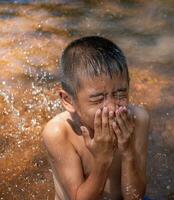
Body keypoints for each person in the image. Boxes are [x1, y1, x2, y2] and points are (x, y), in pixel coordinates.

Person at [42, 36, 150, 200]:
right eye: (98, 99)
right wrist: (103, 159)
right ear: (68, 100)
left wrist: (128, 151)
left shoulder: (138, 120)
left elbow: (135, 197)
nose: (112, 108)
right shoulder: (59, 133)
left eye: (120, 94)